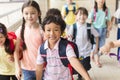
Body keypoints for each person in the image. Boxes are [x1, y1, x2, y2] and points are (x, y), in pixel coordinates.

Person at [36, 15, 92, 80]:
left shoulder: (66, 47)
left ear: (61, 32)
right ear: (44, 31)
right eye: (48, 30)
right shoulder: (42, 49)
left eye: (56, 30)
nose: (52, 33)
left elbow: (73, 60)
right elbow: (39, 67)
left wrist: (87, 78)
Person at [67, 7, 99, 79]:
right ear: (76, 16)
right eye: (80, 14)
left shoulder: (89, 26)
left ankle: (82, 75)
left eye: (84, 14)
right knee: (77, 66)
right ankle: (80, 75)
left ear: (87, 16)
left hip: (86, 52)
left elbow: (96, 36)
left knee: (85, 66)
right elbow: (69, 38)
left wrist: (96, 48)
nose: (82, 16)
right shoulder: (73, 26)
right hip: (76, 52)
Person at [15, 1, 43, 80]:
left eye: (33, 13)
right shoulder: (20, 31)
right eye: (26, 13)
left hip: (42, 68)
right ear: (23, 14)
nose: (29, 16)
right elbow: (16, 51)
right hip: (26, 69)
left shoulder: (42, 30)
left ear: (39, 13)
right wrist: (17, 67)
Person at [88, 0, 111, 67]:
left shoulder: (106, 10)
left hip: (103, 30)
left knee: (102, 47)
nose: (101, 0)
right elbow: (90, 20)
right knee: (96, 46)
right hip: (95, 30)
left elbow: (108, 21)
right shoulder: (94, 10)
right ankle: (97, 61)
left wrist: (108, 31)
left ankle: (92, 54)